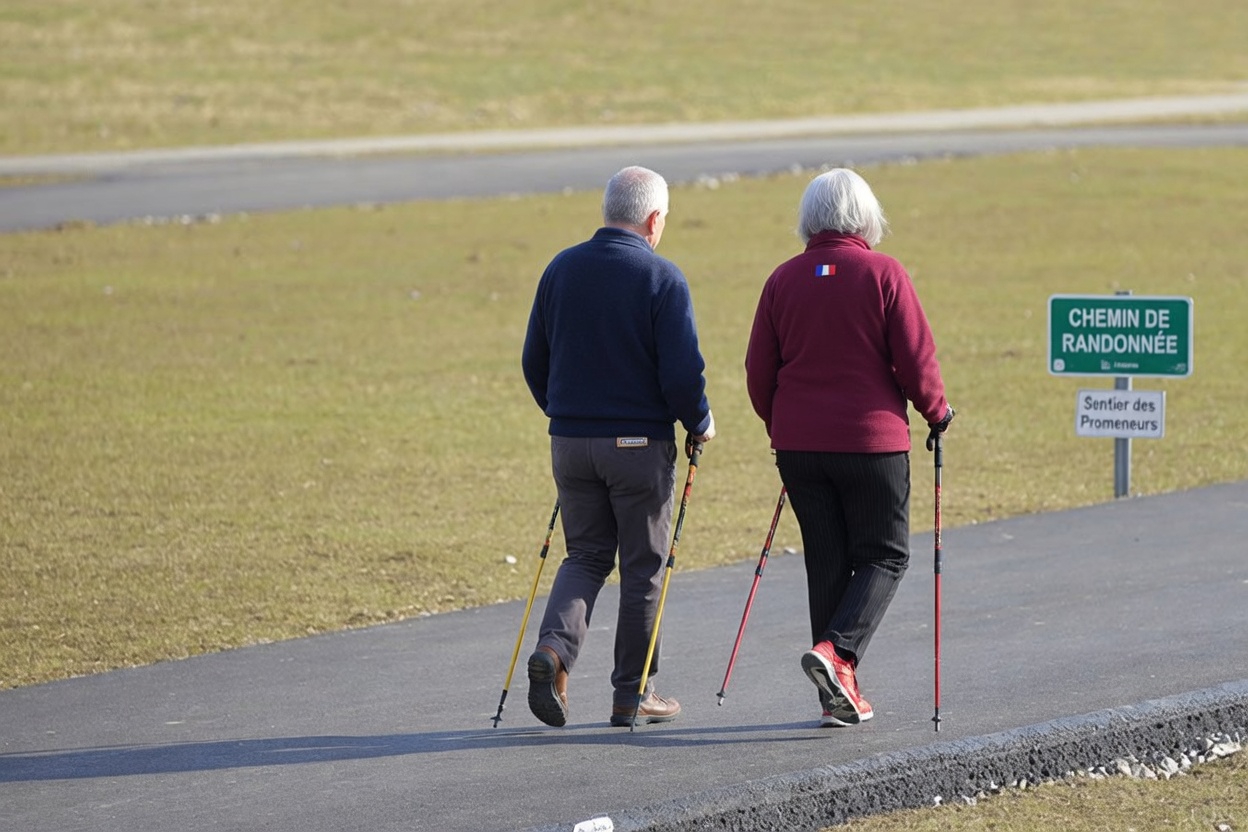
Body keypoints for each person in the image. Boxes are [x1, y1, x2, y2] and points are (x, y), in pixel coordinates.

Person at [744, 168, 953, 727]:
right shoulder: (884, 273)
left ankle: (835, 692)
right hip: (870, 443)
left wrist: (781, 424)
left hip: (799, 446)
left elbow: (758, 371)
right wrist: (937, 412)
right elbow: (916, 360)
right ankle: (837, 655)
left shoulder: (782, 280)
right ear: (865, 217)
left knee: (829, 562)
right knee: (886, 554)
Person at [521, 165, 716, 728]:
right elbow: (683, 375)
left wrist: (566, 415)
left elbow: (535, 361)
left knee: (584, 556)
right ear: (654, 219)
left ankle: (553, 655)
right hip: (636, 448)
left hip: (570, 443)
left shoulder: (561, 268)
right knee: (643, 568)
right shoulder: (662, 276)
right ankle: (633, 694)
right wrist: (699, 420)